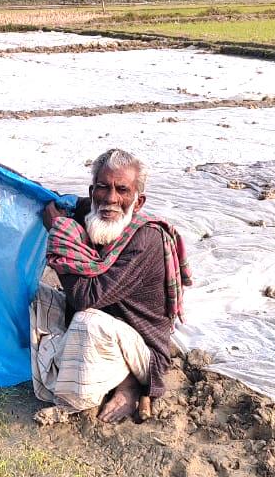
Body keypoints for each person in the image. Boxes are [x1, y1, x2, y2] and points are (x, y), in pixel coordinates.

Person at [31, 148, 191, 424]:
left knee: (86, 321)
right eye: (103, 187)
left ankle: (126, 383)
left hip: (140, 347)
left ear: (138, 202)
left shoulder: (146, 240)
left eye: (122, 190)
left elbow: (86, 297)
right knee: (29, 295)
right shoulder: (88, 210)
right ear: (93, 191)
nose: (111, 198)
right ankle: (108, 376)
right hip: (103, 334)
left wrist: (60, 235)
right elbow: (34, 192)